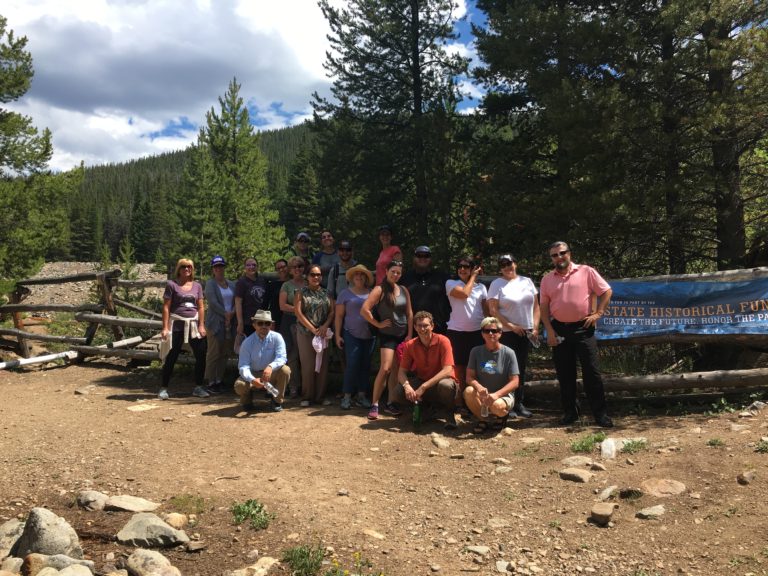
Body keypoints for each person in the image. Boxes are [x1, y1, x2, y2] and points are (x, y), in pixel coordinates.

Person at [539, 241, 614, 428]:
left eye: (562, 253)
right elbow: (544, 308)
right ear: (551, 259)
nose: (559, 257)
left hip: (583, 328)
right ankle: (571, 413)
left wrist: (598, 313)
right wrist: (549, 330)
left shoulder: (586, 271)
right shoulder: (547, 279)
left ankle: (600, 415)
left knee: (592, 372)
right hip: (559, 330)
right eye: (554, 255)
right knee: (565, 374)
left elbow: (606, 291)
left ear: (569, 253)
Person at [487, 253, 540, 418]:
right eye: (503, 265)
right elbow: (493, 310)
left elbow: (536, 307)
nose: (507, 267)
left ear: (515, 263)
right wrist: (511, 326)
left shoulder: (527, 281)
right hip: (507, 333)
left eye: (509, 263)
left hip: (526, 332)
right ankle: (505, 404)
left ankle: (518, 403)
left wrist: (535, 327)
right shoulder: (497, 284)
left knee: (520, 368)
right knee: (506, 369)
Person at [361, 259, 412, 420]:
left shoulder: (403, 289)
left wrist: (410, 334)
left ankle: (391, 403)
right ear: (387, 271)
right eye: (393, 272)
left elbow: (409, 313)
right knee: (385, 368)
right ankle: (374, 404)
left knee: (396, 370)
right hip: (387, 335)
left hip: (402, 335)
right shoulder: (380, 289)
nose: (395, 275)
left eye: (398, 273)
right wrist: (378, 324)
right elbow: (364, 310)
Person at [396, 311, 458, 430]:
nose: (422, 329)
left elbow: (448, 369)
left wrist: (424, 386)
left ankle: (449, 414)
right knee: (399, 391)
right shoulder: (410, 345)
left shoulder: (443, 341)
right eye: (419, 325)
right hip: (422, 381)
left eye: (425, 325)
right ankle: (426, 410)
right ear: (415, 327)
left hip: (442, 382)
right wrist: (407, 386)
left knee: (446, 386)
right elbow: (401, 372)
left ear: (432, 326)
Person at [159, 258, 207, 400]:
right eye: (184, 266)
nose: (187, 269)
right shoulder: (172, 285)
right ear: (178, 269)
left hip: (193, 325)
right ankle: (164, 388)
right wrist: (165, 327)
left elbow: (201, 307)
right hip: (177, 324)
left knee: (201, 354)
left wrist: (201, 325)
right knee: (171, 355)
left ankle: (198, 387)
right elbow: (166, 306)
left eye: (189, 267)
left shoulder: (197, 286)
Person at [463, 317, 520, 433]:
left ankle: (501, 416)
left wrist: (496, 395)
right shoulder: (475, 351)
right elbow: (469, 377)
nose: (490, 333)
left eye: (494, 331)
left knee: (497, 406)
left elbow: (515, 382)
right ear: (482, 334)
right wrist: (479, 387)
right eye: (486, 331)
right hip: (483, 394)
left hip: (503, 395)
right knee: (468, 391)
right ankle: (483, 420)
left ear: (500, 333)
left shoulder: (509, 353)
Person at [446, 256, 488, 409]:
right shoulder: (451, 283)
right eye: (460, 266)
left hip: (477, 332)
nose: (462, 269)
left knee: (477, 367)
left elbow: (486, 310)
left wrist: (491, 329)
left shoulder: (481, 288)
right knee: (459, 368)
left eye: (466, 267)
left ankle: (475, 403)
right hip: (456, 332)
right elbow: (464, 294)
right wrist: (474, 276)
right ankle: (459, 403)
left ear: (472, 269)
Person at [334, 264, 375, 410]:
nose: (359, 277)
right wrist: (337, 335)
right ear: (352, 277)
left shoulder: (372, 293)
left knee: (365, 365)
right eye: (356, 274)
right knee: (352, 364)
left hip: (370, 334)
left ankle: (361, 395)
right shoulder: (344, 294)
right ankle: (347, 395)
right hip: (350, 333)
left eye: (362, 274)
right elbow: (339, 316)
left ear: (366, 277)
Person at [233, 310, 290, 413]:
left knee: (285, 370)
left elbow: (282, 358)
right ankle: (247, 400)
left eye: (267, 323)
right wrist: (252, 380)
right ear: (254, 325)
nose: (264, 326)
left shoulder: (277, 337)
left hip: (271, 373)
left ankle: (277, 401)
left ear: (271, 325)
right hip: (253, 373)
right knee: (239, 385)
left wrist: (271, 367)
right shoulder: (247, 343)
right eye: (260, 323)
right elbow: (243, 366)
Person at [294, 264, 335, 406]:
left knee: (322, 365)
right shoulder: (300, 292)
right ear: (307, 276)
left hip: (323, 333)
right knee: (308, 365)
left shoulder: (327, 293)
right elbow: (298, 313)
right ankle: (307, 397)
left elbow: (331, 312)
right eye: (312, 274)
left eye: (318, 275)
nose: (316, 277)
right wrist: (312, 329)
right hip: (305, 333)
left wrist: (324, 326)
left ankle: (320, 397)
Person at [204, 255, 236, 395]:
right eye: (216, 267)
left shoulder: (232, 284)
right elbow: (213, 302)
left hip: (230, 323)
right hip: (215, 323)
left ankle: (219, 379)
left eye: (221, 266)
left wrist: (232, 313)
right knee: (214, 352)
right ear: (213, 269)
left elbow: (236, 301)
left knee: (224, 353)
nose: (219, 269)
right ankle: (210, 381)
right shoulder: (210, 284)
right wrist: (226, 314)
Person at [402, 245, 451, 335]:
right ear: (414, 258)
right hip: (413, 330)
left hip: (438, 329)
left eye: (426, 256)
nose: (423, 258)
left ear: (431, 258)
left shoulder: (442, 276)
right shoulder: (405, 277)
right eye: (419, 255)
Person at [279, 256, 306, 398]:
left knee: (306, 355)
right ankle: (294, 386)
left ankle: (307, 387)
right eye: (294, 267)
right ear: (290, 270)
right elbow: (282, 305)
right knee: (292, 355)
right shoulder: (286, 285)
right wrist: (299, 310)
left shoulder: (309, 283)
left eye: (300, 266)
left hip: (307, 322)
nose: (297, 269)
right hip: (290, 322)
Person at [235, 257, 269, 340]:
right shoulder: (241, 282)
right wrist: (240, 322)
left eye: (254, 265)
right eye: (248, 265)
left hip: (262, 321)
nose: (251, 267)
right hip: (248, 322)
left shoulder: (262, 280)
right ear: (245, 268)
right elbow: (238, 302)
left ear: (257, 267)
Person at [268, 259, 289, 329]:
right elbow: (266, 304)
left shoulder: (294, 283)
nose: (281, 270)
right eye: (278, 268)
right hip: (276, 320)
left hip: (291, 318)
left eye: (283, 267)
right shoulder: (272, 285)